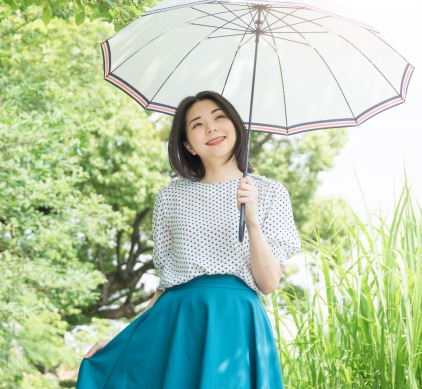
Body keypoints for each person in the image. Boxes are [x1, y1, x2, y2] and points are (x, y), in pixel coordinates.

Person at [75, 91, 302, 388]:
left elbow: (269, 283)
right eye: (197, 124)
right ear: (187, 145)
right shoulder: (170, 196)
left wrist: (252, 221)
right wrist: (121, 342)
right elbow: (166, 284)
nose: (211, 128)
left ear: (236, 125)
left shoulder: (270, 193)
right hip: (177, 324)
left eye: (219, 117)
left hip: (237, 323)